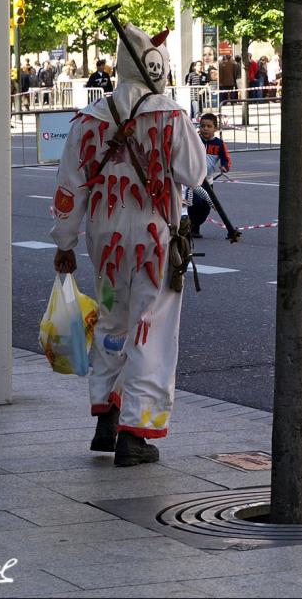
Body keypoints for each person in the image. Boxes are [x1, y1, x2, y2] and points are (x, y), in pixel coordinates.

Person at [50, 23, 206, 465]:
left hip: (106, 239)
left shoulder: (90, 118)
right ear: (155, 67)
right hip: (156, 237)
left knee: (112, 321)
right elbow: (195, 173)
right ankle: (135, 433)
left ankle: (107, 414)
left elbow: (68, 187)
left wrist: (64, 241)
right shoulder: (169, 114)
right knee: (150, 329)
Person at [188, 113, 232, 238]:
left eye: (209, 126)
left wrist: (224, 166)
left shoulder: (219, 144)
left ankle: (195, 224)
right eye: (202, 126)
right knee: (195, 203)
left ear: (215, 128)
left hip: (208, 181)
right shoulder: (194, 141)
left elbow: (226, 158)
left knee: (206, 207)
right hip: (194, 180)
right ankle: (192, 227)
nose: (205, 129)